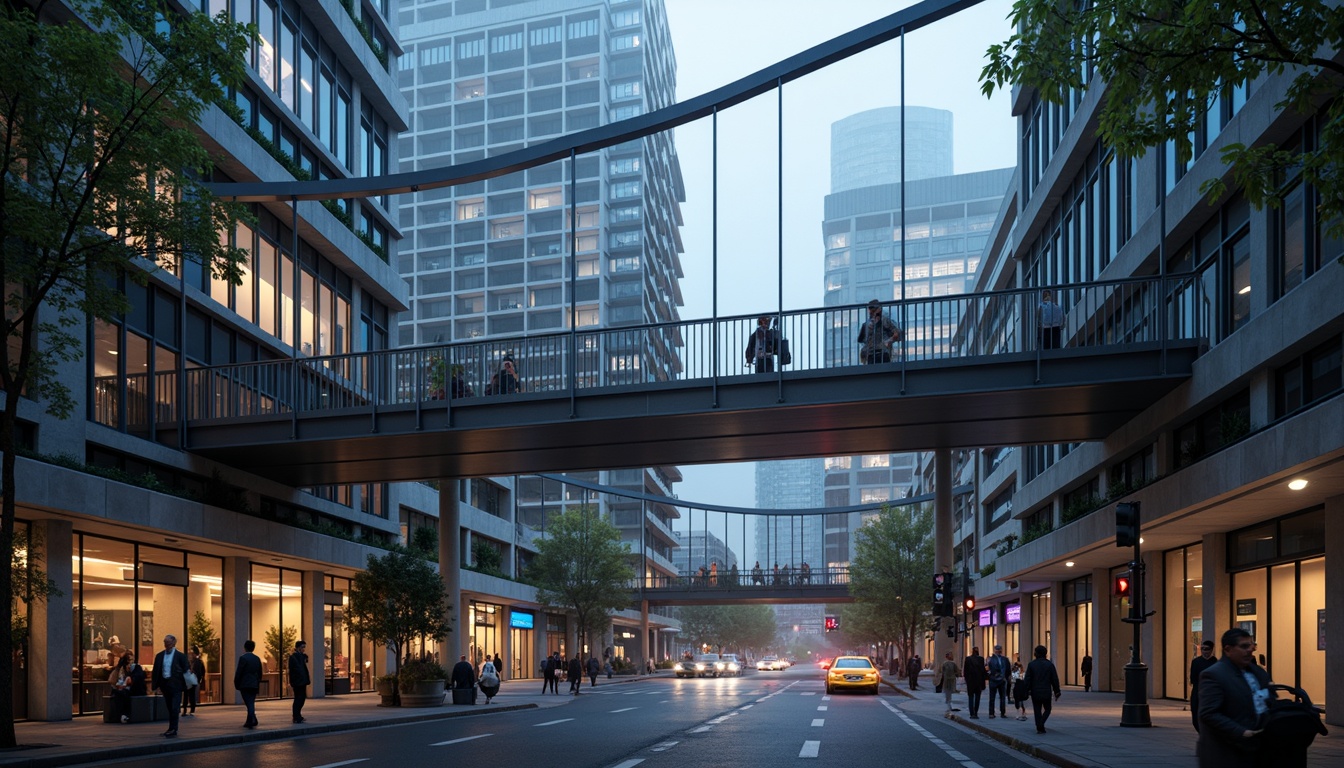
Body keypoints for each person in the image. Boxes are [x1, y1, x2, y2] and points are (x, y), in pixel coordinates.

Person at [1197, 628, 1271, 768]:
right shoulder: (1214, 675)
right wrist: (1241, 732)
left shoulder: (1259, 672)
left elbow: (1268, 701)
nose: (1250, 650)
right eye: (1244, 646)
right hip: (1226, 752)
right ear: (1228, 649)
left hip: (1257, 749)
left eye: (1252, 645)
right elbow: (1208, 713)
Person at [151, 633, 189, 737]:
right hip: (165, 685)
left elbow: (186, 669)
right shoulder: (159, 656)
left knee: (174, 707)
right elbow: (156, 671)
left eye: (167, 642)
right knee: (169, 707)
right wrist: (155, 686)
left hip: (176, 685)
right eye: (165, 642)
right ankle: (171, 728)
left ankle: (173, 729)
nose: (166, 645)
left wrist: (186, 684)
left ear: (173, 643)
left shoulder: (180, 656)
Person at [1024, 645, 1061, 734]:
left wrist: (1026, 690)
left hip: (1035, 690)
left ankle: (1039, 726)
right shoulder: (1050, 665)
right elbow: (1054, 679)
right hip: (1046, 690)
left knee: (1037, 710)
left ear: (1036, 654)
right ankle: (1041, 724)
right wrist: (1057, 691)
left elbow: (1027, 679)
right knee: (1047, 709)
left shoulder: (1031, 664)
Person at [857, 299, 903, 364]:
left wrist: (888, 341)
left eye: (874, 310)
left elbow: (898, 333)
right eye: (871, 311)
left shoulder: (885, 321)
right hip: (872, 354)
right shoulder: (866, 324)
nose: (873, 313)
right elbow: (861, 339)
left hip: (882, 353)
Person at [109, 651, 146, 724]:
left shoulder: (137, 668)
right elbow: (115, 680)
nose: (130, 663)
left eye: (131, 660)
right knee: (117, 692)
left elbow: (134, 680)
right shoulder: (122, 669)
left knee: (123, 694)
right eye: (128, 661)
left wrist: (129, 678)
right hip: (125, 689)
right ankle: (118, 714)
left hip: (135, 690)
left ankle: (124, 714)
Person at [1189, 639, 1218, 732]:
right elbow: (1193, 677)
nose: (1204, 651)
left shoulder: (1215, 662)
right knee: (1195, 713)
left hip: (1210, 692)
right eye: (1202, 649)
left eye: (1207, 649)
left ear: (1211, 650)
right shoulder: (1196, 661)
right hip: (1197, 690)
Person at [234, 640, 262, 729]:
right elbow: (260, 672)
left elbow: (239, 671)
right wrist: (258, 681)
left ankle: (251, 720)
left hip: (245, 683)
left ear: (245, 648)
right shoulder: (257, 658)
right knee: (251, 701)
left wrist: (236, 682)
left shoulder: (243, 658)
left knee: (248, 702)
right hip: (254, 683)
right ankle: (252, 718)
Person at [288, 639, 311, 723]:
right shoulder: (294, 657)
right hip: (298, 681)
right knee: (298, 698)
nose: (303, 649)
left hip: (302, 681)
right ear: (298, 648)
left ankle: (298, 715)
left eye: (304, 647)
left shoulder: (301, 656)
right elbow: (295, 670)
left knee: (301, 698)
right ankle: (296, 716)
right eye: (302, 647)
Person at [181, 645, 206, 717]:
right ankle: (189, 709)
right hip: (190, 680)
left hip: (191, 680)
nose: (190, 654)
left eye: (191, 653)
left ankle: (189, 709)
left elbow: (201, 671)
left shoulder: (197, 662)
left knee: (189, 695)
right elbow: (202, 672)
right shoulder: (195, 661)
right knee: (188, 695)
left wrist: (198, 678)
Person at [986, 645, 1010, 718]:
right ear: (994, 650)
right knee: (992, 697)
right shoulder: (990, 659)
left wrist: (1006, 677)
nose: (998, 652)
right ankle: (991, 713)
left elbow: (1008, 669)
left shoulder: (1005, 659)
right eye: (997, 650)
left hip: (1002, 680)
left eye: (999, 650)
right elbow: (987, 669)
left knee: (1002, 697)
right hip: (993, 680)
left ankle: (1002, 713)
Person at [964, 646, 987, 718]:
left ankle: (972, 713)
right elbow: (983, 671)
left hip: (971, 681)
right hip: (978, 681)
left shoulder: (968, 659)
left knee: (971, 697)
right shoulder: (981, 659)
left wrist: (967, 680)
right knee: (977, 697)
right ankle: (976, 712)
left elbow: (965, 671)